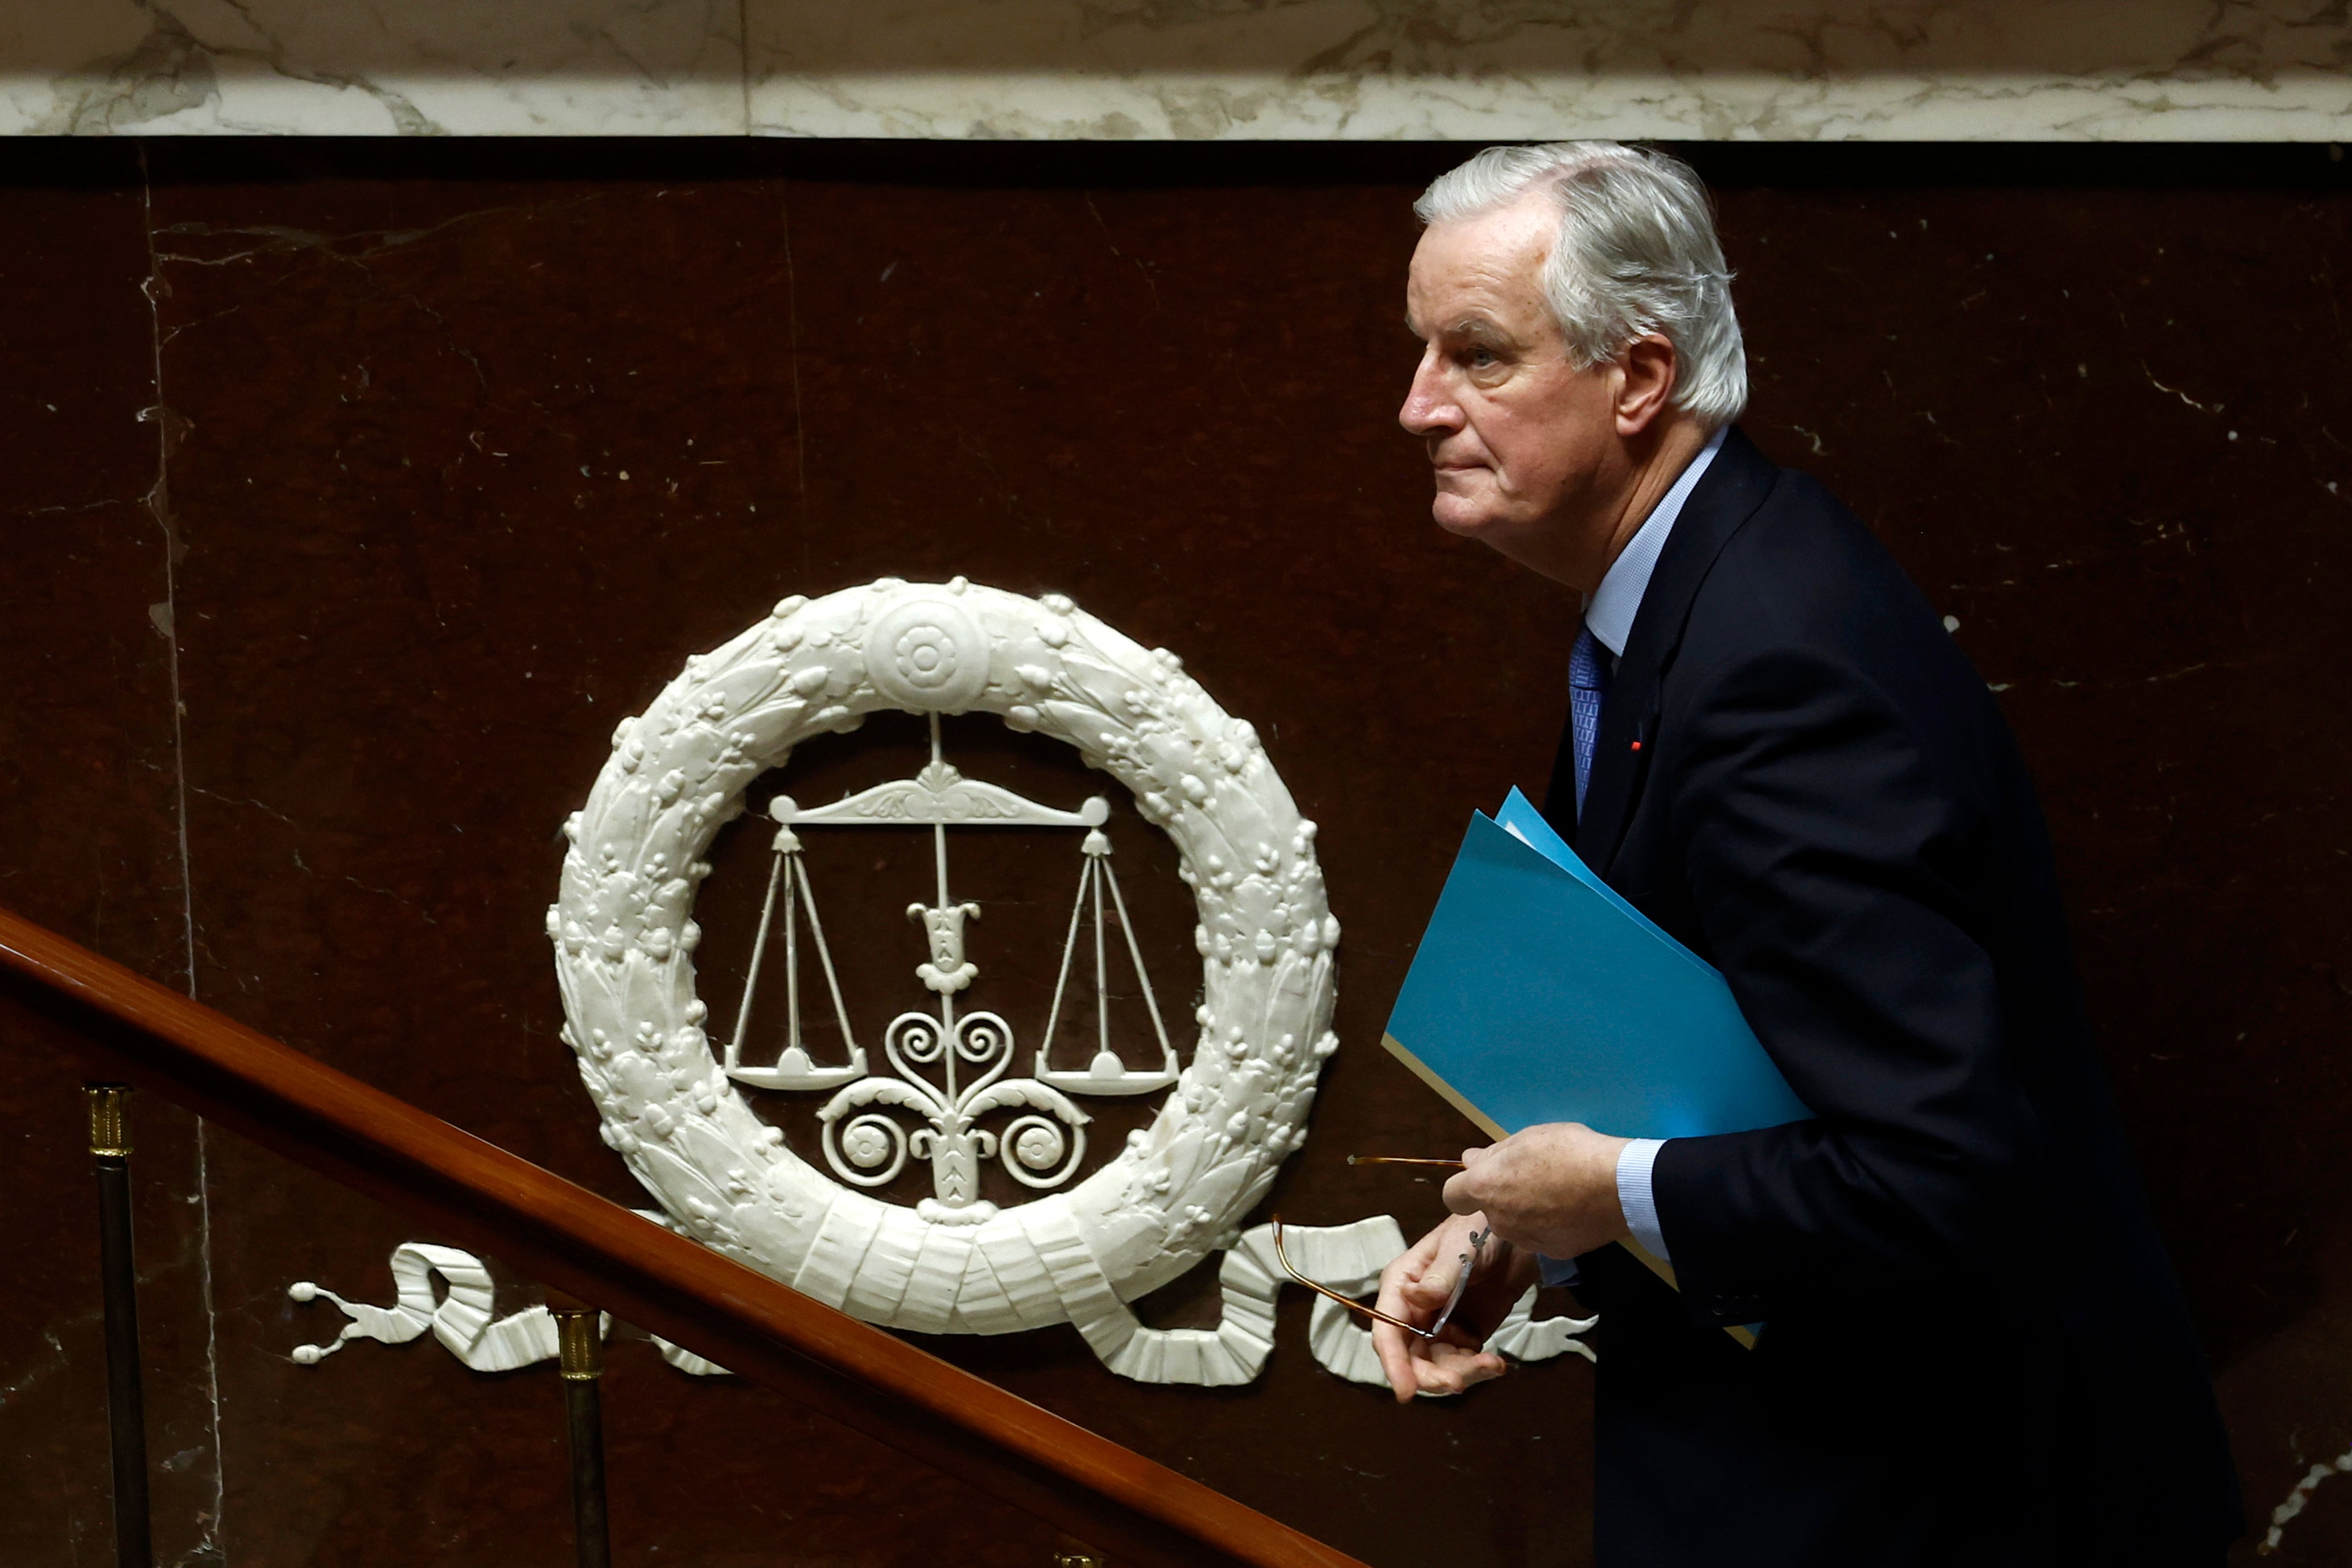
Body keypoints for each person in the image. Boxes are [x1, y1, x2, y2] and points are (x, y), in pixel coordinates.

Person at [1370, 141, 2242, 1567]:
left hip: (1925, 1490)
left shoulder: (1778, 665)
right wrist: (1528, 1229)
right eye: (1423, 352)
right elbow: (1724, 1041)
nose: (1418, 407)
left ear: (1638, 379)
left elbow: (1937, 1164)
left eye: (1476, 356)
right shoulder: (1698, 574)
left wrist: (1607, 1192)